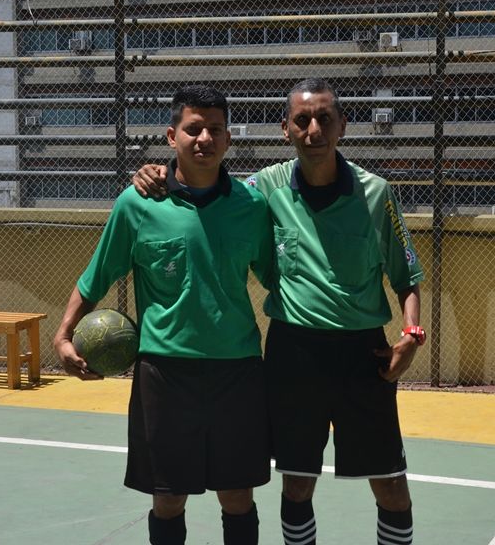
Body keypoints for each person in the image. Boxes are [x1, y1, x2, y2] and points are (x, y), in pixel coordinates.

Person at [133, 78, 425, 545]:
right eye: (302, 120)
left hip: (364, 356)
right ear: (285, 129)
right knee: (297, 484)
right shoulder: (264, 187)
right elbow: (208, 187)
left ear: (343, 125)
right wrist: (157, 175)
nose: (314, 130)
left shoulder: (376, 193)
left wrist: (411, 335)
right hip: (294, 352)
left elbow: (406, 276)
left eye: (324, 118)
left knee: (391, 486)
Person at [53, 85, 274, 545]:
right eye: (193, 129)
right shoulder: (137, 204)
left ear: (228, 139)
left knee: (237, 496)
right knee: (168, 498)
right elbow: (96, 276)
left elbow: (281, 281)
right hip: (164, 374)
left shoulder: (251, 207)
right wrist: (63, 335)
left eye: (215, 129)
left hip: (237, 371)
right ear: (172, 136)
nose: (204, 138)